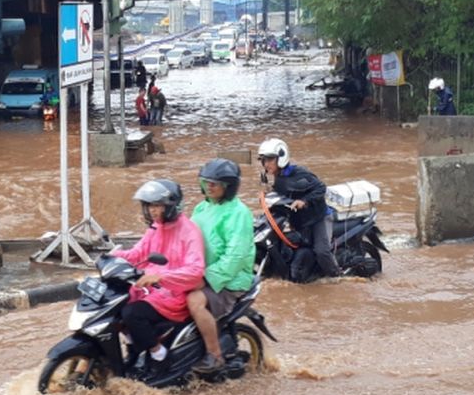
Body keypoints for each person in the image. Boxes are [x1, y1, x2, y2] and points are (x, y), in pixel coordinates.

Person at [109, 179, 205, 371]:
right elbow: (138, 254)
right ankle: (133, 346)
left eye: (157, 205)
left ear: (170, 206)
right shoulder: (156, 227)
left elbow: (196, 270)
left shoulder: (189, 231)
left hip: (172, 293)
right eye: (149, 205)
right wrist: (111, 256)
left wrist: (162, 278)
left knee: (131, 313)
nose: (152, 210)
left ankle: (159, 353)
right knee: (116, 305)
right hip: (150, 288)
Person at [188, 159, 255, 374]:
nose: (209, 187)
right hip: (199, 273)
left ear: (228, 186)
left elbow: (235, 255)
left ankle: (214, 355)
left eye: (214, 184)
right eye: (205, 182)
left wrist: (207, 278)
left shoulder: (239, 213)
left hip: (229, 279)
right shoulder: (201, 207)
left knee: (195, 302)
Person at [258, 137, 339, 278]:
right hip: (300, 220)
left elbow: (321, 188)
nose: (266, 164)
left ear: (281, 157)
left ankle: (337, 277)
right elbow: (284, 195)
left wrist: (304, 201)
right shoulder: (279, 177)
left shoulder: (299, 173)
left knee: (321, 251)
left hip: (318, 218)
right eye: (264, 160)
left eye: (270, 159)